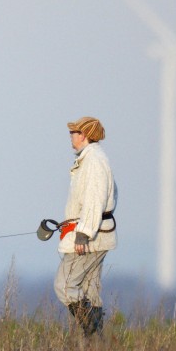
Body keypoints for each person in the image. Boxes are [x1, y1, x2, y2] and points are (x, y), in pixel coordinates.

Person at [53, 116, 117, 336]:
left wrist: (84, 233)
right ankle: (96, 345)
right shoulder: (90, 159)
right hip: (94, 233)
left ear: (86, 135)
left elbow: (94, 199)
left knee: (64, 285)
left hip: (89, 237)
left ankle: (91, 332)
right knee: (90, 290)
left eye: (75, 132)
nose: (71, 136)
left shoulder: (94, 161)